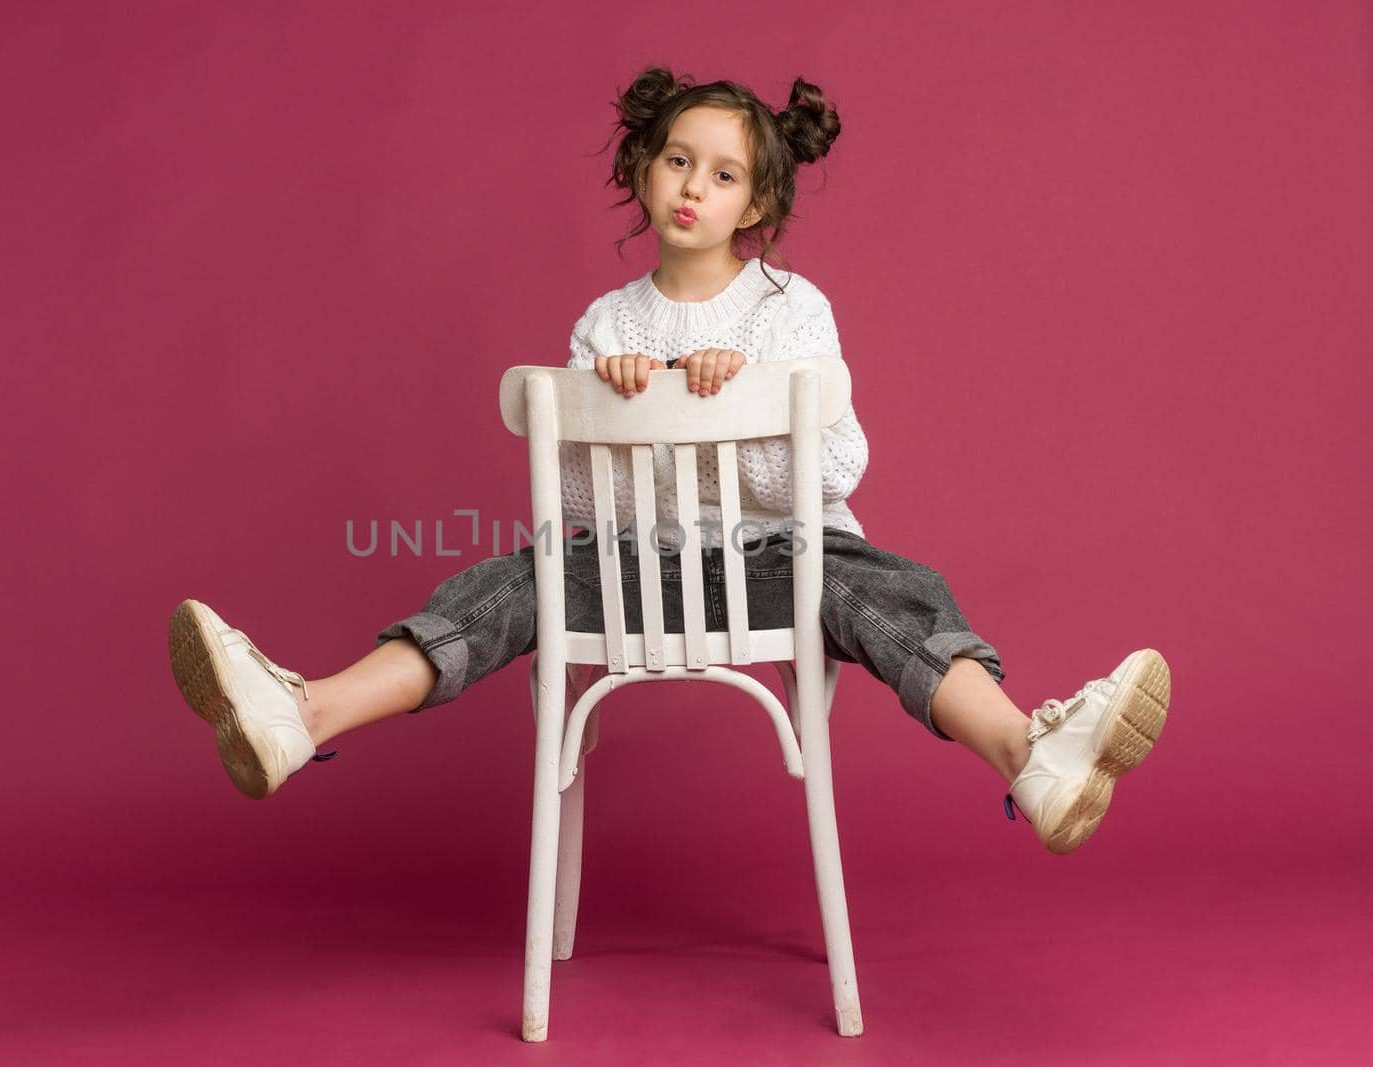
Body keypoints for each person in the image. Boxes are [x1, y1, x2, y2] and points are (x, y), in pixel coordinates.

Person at [167, 66, 1170, 857]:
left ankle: (1029, 755)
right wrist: (621, 403)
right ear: (642, 169)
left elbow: (820, 478)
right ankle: (301, 712)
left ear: (757, 201)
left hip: (779, 558)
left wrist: (743, 402)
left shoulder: (791, 308)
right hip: (632, 569)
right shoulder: (608, 323)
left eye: (724, 173)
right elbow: (566, 499)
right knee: (508, 580)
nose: (694, 186)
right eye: (677, 161)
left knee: (888, 588)